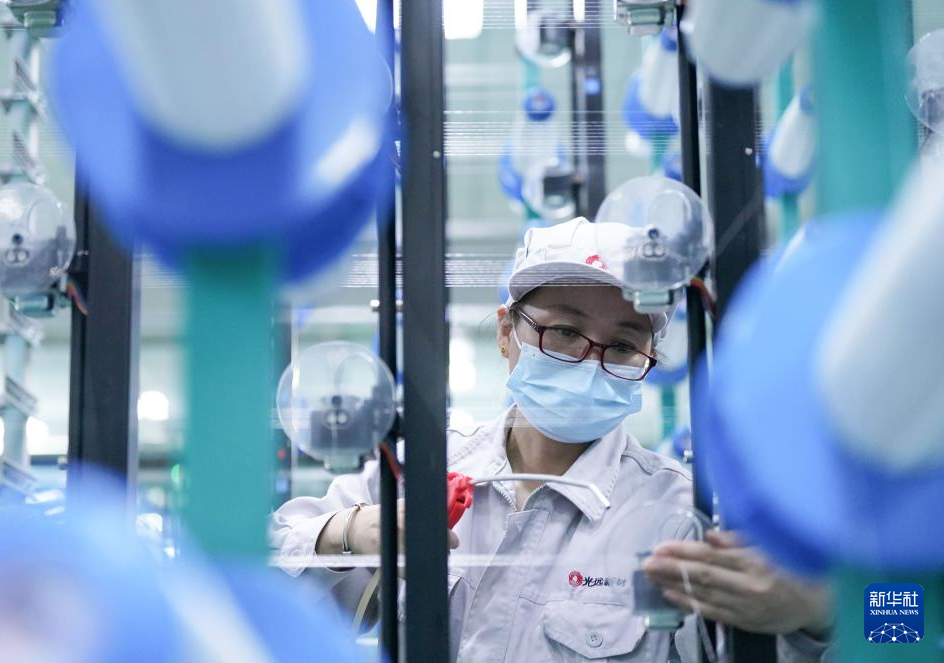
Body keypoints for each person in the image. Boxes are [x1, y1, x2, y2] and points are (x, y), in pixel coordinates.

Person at [270, 218, 832, 662]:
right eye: (564, 331)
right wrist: (348, 533)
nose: (590, 361)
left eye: (623, 346)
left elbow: (886, 626)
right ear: (505, 332)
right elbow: (253, 580)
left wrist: (818, 613)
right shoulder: (416, 472)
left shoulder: (679, 513)